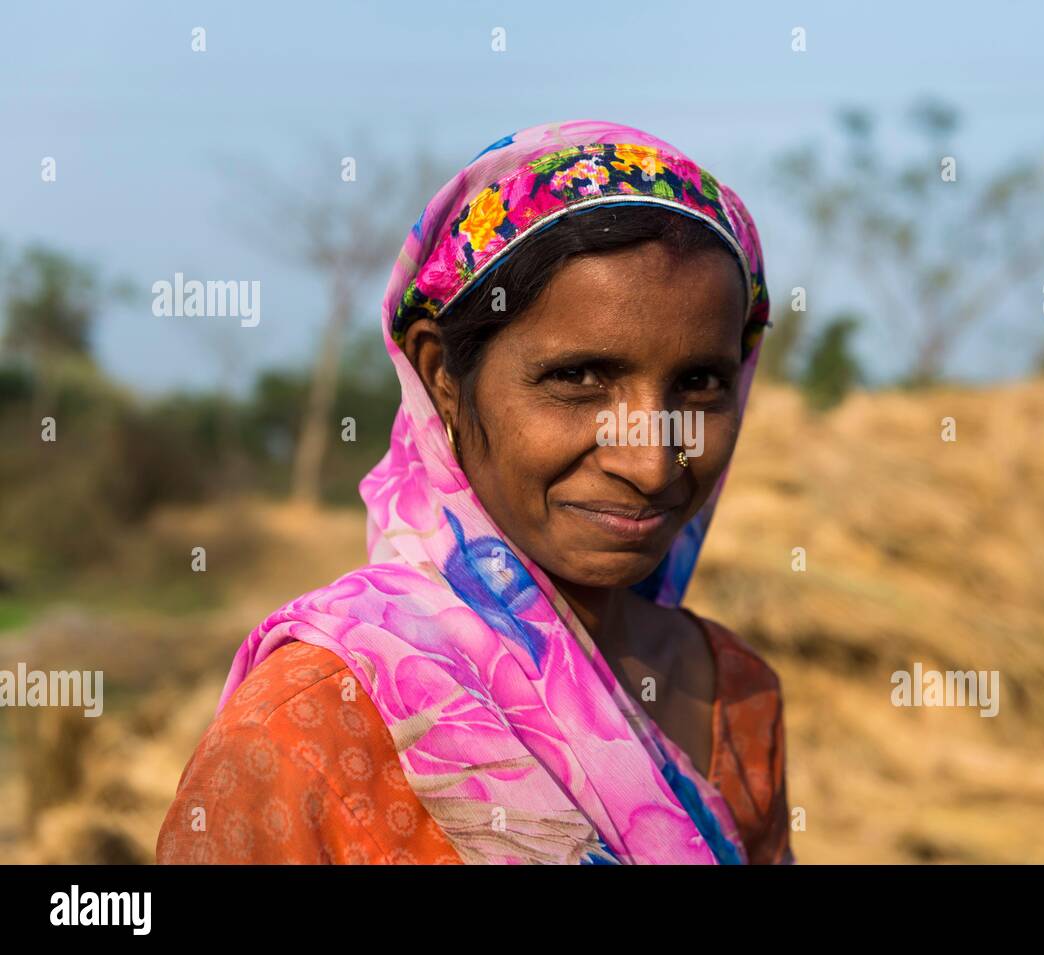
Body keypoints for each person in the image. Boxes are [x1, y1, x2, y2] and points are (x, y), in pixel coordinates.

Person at [156, 120, 793, 864]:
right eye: (578, 378)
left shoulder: (733, 694)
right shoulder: (310, 722)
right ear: (441, 377)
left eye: (699, 384)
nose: (652, 462)